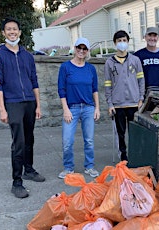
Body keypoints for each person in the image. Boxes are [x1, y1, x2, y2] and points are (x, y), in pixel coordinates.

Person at [0, 17, 45, 199]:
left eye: (15, 29)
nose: (12, 32)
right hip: (12, 103)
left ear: (20, 32)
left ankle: (28, 169)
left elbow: (34, 81)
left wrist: (38, 104)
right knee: (19, 142)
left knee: (29, 139)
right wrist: (2, 109)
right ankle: (17, 182)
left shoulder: (28, 56)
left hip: (29, 101)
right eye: (8, 29)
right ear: (4, 33)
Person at [57, 37, 100, 179]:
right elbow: (61, 89)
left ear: (88, 51)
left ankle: (89, 166)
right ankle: (68, 167)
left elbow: (95, 90)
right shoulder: (65, 67)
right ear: (74, 49)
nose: (81, 51)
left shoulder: (91, 69)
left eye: (84, 49)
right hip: (72, 108)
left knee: (89, 140)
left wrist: (97, 108)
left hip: (88, 108)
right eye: (79, 48)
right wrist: (65, 109)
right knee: (67, 141)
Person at [104, 30, 145, 161]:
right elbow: (107, 84)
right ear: (115, 43)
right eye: (119, 41)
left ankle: (136, 156)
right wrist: (110, 104)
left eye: (124, 41)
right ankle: (123, 157)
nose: (122, 43)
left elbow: (141, 80)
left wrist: (141, 98)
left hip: (134, 103)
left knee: (135, 133)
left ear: (128, 42)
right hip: (118, 104)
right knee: (120, 134)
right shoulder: (109, 63)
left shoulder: (135, 60)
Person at [134, 27, 159, 96]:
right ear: (145, 37)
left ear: (158, 37)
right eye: (149, 35)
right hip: (145, 91)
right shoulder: (138, 55)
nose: (152, 38)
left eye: (154, 36)